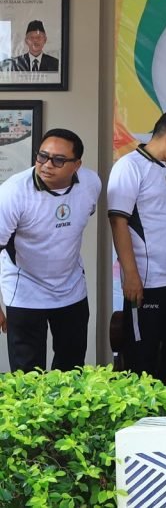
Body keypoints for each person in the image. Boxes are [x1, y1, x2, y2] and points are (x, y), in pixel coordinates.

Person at [108, 110, 166, 394]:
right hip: (149, 283)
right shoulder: (130, 167)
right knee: (143, 359)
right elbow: (118, 221)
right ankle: (144, 418)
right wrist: (131, 275)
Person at [0, 128, 101, 371]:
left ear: (76, 165)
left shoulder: (91, 183)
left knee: (72, 368)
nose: (46, 165)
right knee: (27, 374)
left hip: (71, 288)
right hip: (24, 288)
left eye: (58, 160)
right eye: (42, 156)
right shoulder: (13, 191)